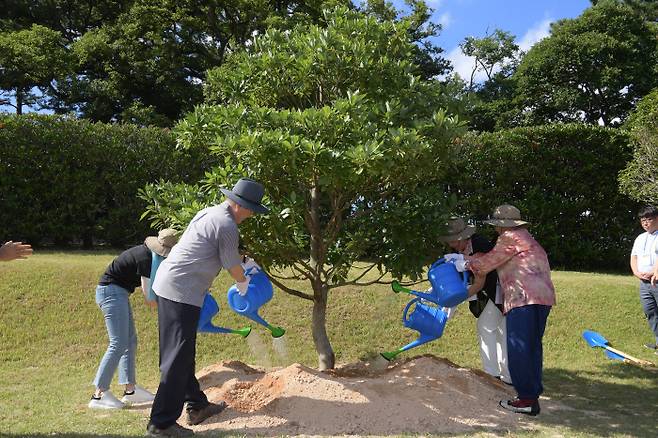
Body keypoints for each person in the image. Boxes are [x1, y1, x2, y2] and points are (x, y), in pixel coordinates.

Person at [147, 178, 268, 437]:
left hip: (172, 286)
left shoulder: (210, 212)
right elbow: (231, 265)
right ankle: (161, 423)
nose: (250, 216)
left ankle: (198, 406)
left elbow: (220, 252)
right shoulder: (227, 224)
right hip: (181, 291)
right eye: (251, 210)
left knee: (180, 351)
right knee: (176, 356)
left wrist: (242, 261)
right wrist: (244, 284)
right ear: (242, 206)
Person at [463, 205, 556, 416]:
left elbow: (486, 264)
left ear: (501, 225)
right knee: (532, 347)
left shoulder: (509, 237)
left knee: (519, 348)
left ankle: (525, 401)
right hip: (542, 298)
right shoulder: (526, 237)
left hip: (522, 297)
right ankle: (532, 394)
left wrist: (464, 263)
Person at [89, 229, 178, 409]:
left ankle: (131, 391)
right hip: (111, 292)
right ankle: (98, 395)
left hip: (117, 293)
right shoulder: (145, 259)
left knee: (129, 341)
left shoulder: (148, 254)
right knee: (118, 343)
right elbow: (149, 297)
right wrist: (172, 308)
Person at [440, 217, 511, 385]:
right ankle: (504, 376)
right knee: (498, 331)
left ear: (464, 237)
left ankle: (495, 375)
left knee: (490, 328)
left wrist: (458, 297)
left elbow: (480, 273)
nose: (453, 245)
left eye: (455, 241)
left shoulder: (480, 244)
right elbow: (467, 279)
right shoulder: (459, 252)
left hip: (504, 290)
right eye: (451, 242)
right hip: (499, 293)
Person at [630, 206, 658, 355]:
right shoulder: (640, 238)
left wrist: (655, 272)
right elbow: (634, 257)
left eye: (649, 219)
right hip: (644, 283)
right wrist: (636, 272)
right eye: (643, 220)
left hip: (657, 281)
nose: (646, 223)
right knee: (650, 311)